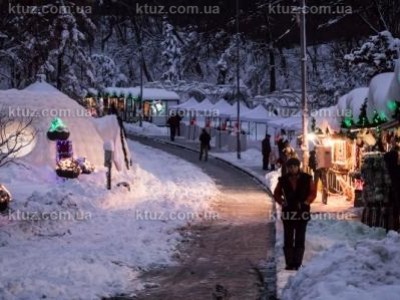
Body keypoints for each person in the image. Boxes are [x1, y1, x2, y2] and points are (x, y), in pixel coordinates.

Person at [274, 157, 317, 270]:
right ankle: (289, 263)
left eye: (294, 166)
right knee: (288, 238)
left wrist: (307, 202)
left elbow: (313, 192)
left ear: (298, 167)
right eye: (290, 167)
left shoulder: (307, 178)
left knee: (300, 237)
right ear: (288, 168)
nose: (292, 169)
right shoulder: (282, 180)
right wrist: (282, 202)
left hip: (302, 212)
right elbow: (277, 193)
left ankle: (297, 263)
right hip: (288, 213)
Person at [383, 137, 400, 231]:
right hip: (395, 190)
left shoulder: (387, 167)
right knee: (395, 210)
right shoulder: (396, 168)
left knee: (391, 210)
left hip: (389, 191)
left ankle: (390, 227)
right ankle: (395, 226)